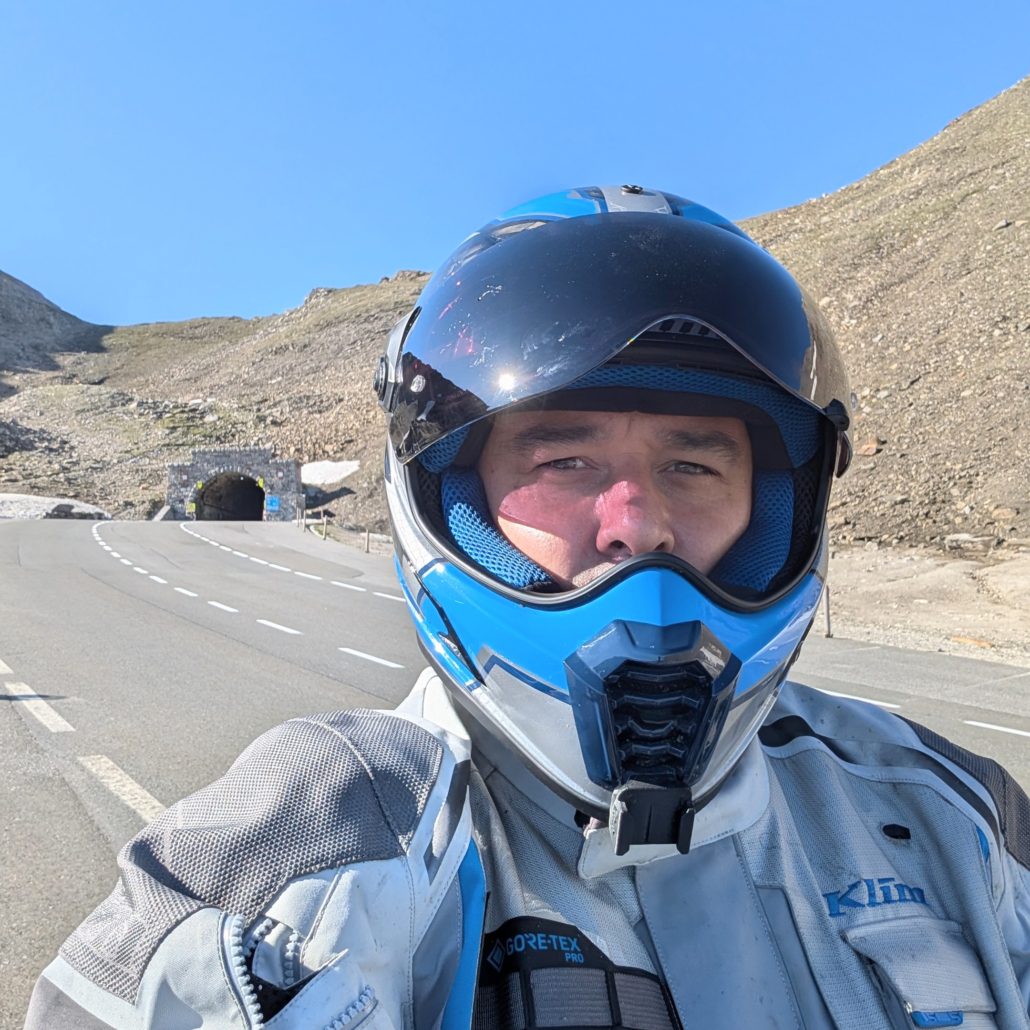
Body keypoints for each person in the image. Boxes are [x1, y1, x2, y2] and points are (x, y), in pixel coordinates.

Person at [27, 186, 1030, 1029]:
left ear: (782, 507)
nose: (639, 526)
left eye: (693, 464)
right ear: (452, 499)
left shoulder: (955, 817)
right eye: (565, 462)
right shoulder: (315, 851)